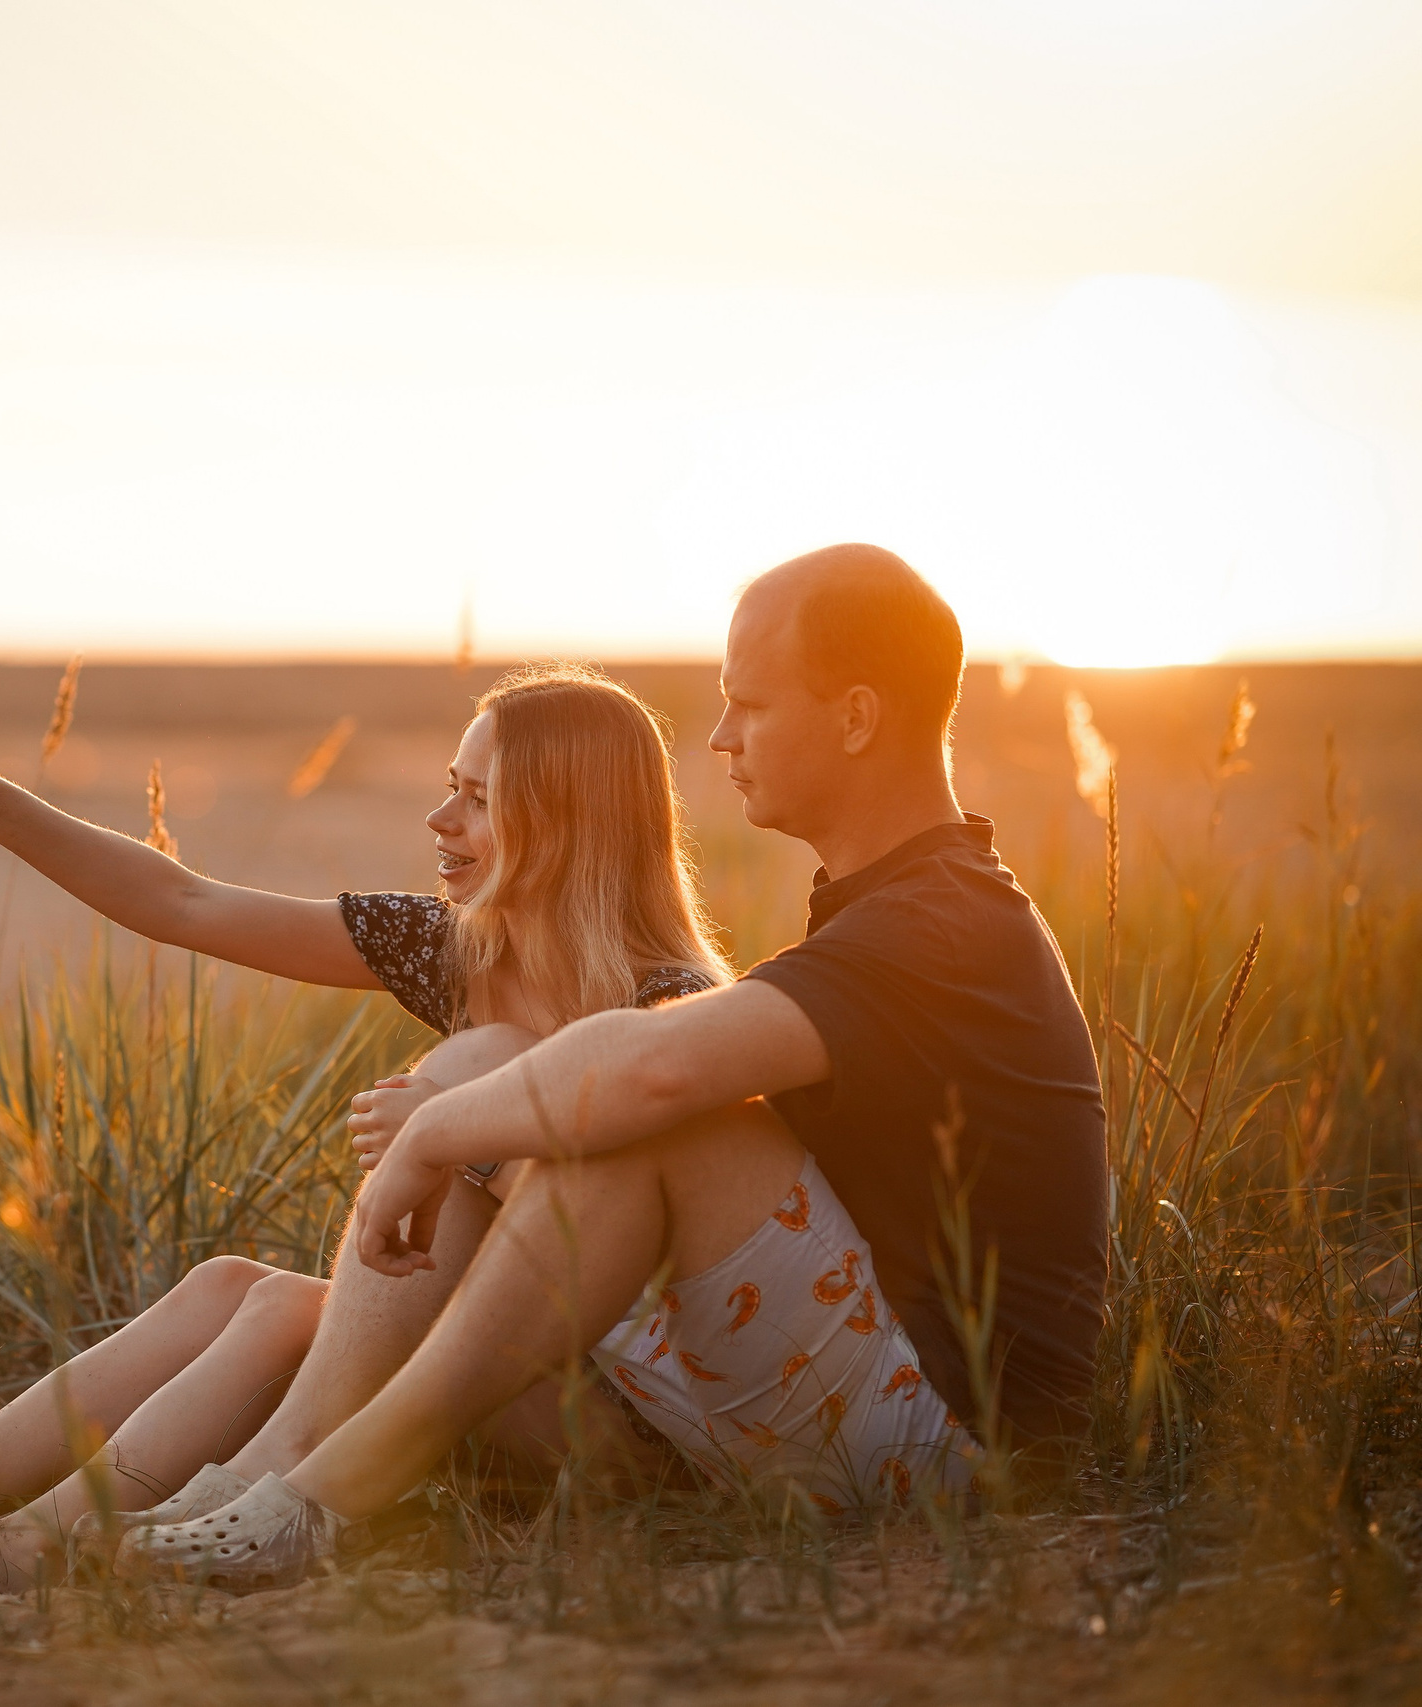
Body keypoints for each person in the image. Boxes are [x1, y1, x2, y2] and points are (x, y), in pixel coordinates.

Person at [120, 544, 1109, 1592]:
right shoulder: (891, 905)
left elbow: (655, 1072)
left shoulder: (939, 920)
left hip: (958, 1449)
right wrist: (469, 1111)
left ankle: (310, 1504)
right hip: (832, 1409)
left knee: (645, 1114)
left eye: (750, 704)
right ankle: (247, 1490)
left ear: (856, 718)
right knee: (506, 1084)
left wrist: (435, 1129)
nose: (722, 737)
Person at [0, 663, 757, 1588]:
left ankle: (30, 1546)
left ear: (568, 821)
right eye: (450, 785)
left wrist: (476, 1131)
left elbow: (650, 1235)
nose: (440, 819)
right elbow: (187, 903)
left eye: (478, 800)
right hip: (472, 1381)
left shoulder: (672, 1009)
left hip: (626, 1426)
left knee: (434, 1127)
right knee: (242, 1291)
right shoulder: (457, 950)